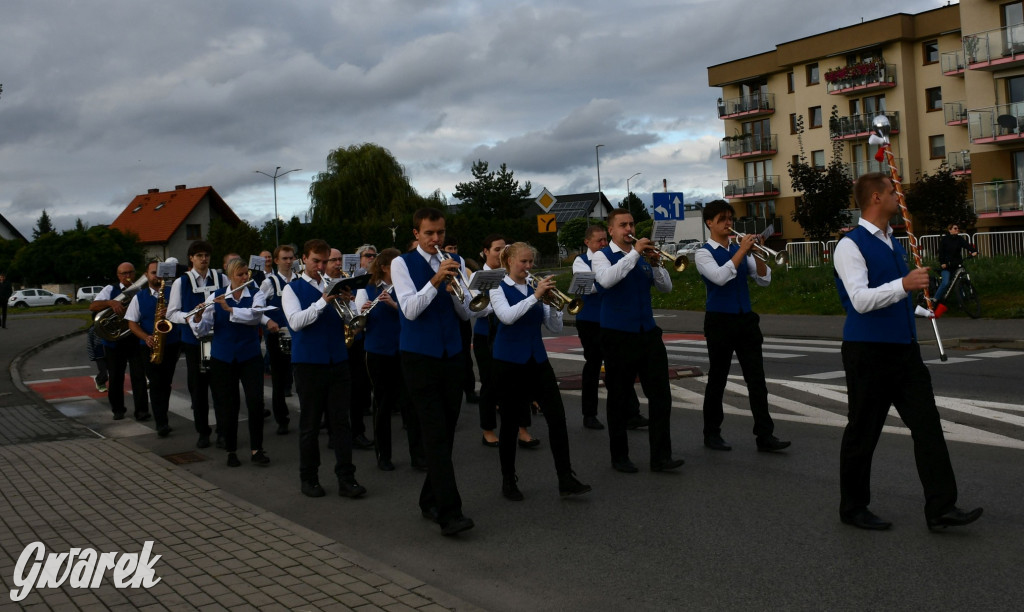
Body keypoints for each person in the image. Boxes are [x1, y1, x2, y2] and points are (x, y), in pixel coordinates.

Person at [833, 172, 982, 532]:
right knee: (863, 431)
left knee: (928, 427)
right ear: (875, 198)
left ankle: (941, 508)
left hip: (904, 351)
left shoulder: (893, 242)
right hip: (867, 351)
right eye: (892, 192)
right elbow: (860, 300)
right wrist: (904, 284)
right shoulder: (850, 246)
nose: (898, 198)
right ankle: (853, 507)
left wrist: (918, 308)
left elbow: (893, 298)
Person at [391, 207, 475, 536]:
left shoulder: (457, 261)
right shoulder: (402, 264)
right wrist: (436, 280)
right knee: (436, 435)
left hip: (451, 354)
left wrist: (456, 293)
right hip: (419, 357)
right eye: (429, 233)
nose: (436, 239)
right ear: (416, 234)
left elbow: (466, 314)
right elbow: (410, 310)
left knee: (447, 432)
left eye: (440, 232)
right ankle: (450, 514)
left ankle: (429, 499)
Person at [489, 242, 591, 501]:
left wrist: (554, 306)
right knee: (510, 423)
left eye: (531, 262)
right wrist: (535, 297)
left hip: (537, 359)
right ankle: (508, 479)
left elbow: (555, 328)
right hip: (509, 362)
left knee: (557, 418)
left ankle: (565, 478)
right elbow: (506, 317)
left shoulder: (535, 287)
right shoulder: (498, 288)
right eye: (523, 262)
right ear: (509, 262)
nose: (528, 266)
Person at [591, 209, 684, 474]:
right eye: (623, 225)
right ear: (611, 230)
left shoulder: (641, 259)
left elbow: (666, 288)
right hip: (618, 334)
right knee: (618, 397)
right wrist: (635, 254)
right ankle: (619, 456)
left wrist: (655, 264)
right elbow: (606, 280)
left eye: (631, 224)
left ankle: (661, 457)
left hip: (648, 333)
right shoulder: (602, 256)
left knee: (661, 396)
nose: (629, 229)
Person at [695, 200, 790, 453]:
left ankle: (765, 435)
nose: (729, 223)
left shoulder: (740, 249)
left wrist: (756, 253)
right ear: (709, 223)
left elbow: (763, 280)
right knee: (718, 378)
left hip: (745, 320)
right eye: (723, 219)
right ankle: (711, 433)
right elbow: (720, 277)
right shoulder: (703, 253)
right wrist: (742, 251)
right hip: (719, 321)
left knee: (757, 380)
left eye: (730, 218)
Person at [283, 239, 366, 499]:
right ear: (304, 260)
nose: (320, 267)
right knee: (309, 425)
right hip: (308, 364)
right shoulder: (292, 289)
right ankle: (309, 478)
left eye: (324, 261)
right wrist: (322, 302)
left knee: (341, 424)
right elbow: (296, 323)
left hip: (338, 361)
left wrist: (349, 302)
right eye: (315, 261)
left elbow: (352, 322)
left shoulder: (335, 285)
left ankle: (347, 478)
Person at [191, 258, 269, 467]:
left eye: (246, 274)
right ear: (230, 276)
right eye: (240, 275)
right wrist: (198, 317)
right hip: (223, 358)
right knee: (228, 405)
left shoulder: (256, 294)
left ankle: (257, 449)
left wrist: (230, 309)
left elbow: (255, 317)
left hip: (250, 356)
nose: (244, 278)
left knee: (255, 402)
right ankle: (231, 450)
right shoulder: (216, 296)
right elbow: (202, 330)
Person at [355, 248, 425, 471]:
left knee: (410, 404)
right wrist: (364, 312)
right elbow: (358, 322)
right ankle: (383, 455)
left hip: (404, 349)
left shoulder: (406, 286)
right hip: (377, 351)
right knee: (383, 404)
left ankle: (418, 456)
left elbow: (415, 314)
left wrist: (394, 305)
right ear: (385, 267)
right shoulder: (367, 289)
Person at [571, 226, 646, 431]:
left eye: (605, 240)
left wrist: (611, 276)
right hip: (590, 319)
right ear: (587, 242)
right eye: (599, 241)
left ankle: (631, 413)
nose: (603, 244)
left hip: (612, 319)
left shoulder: (613, 258)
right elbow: (588, 286)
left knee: (621, 365)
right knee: (593, 365)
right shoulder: (581, 261)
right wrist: (610, 279)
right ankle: (589, 414)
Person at [166, 241, 227, 449]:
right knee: (198, 390)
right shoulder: (181, 282)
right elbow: (171, 313)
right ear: (191, 258)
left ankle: (223, 432)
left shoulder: (221, 278)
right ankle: (203, 432)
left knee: (221, 388)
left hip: (218, 339)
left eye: (206, 255)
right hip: (194, 342)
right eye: (199, 255)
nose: (204, 259)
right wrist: (192, 317)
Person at [126, 260, 181, 438]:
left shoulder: (174, 293)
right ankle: (161, 423)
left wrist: (170, 312)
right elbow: (132, 323)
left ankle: (162, 416)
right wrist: (145, 337)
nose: (157, 276)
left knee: (166, 383)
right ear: (146, 275)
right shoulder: (139, 297)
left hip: (171, 343)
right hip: (150, 345)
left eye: (160, 272)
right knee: (156, 384)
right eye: (153, 272)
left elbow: (183, 314)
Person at [326, 248, 374, 450]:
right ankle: (334, 433)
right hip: (332, 342)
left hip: (354, 342)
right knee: (334, 393)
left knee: (358, 388)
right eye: (333, 260)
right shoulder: (321, 286)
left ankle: (357, 432)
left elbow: (353, 314)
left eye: (339, 259)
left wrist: (354, 306)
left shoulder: (347, 282)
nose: (338, 264)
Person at [90, 262, 150, 422]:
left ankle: (142, 411)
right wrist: (111, 302)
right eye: (124, 273)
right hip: (115, 342)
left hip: (135, 338)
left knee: (139, 376)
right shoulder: (110, 289)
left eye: (130, 272)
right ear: (118, 275)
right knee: (116, 377)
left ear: (135, 273)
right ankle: (118, 409)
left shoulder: (141, 290)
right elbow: (93, 306)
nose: (127, 276)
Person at [472, 234, 505, 446]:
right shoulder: (479, 275)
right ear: (486, 252)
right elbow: (476, 309)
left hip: (507, 334)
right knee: (489, 384)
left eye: (505, 249)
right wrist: (502, 306)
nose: (502, 253)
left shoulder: (510, 272)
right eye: (497, 249)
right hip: (486, 336)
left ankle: (520, 427)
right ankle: (488, 429)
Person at [259, 244, 296, 435]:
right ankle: (282, 419)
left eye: (291, 258)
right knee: (279, 381)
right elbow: (257, 308)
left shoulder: (299, 280)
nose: (288, 262)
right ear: (276, 261)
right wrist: (268, 321)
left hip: (298, 335)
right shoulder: (269, 283)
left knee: (303, 377)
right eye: (284, 258)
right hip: (277, 336)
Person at [444, 236, 479, 405]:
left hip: (462, 318)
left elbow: (467, 291)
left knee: (466, 356)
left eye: (454, 248)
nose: (453, 252)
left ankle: (469, 390)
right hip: (448, 318)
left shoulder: (462, 266)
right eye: (449, 249)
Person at [934, 223, 978, 304]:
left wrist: (973, 251)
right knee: (945, 283)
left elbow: (966, 245)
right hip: (947, 266)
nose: (957, 229)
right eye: (955, 228)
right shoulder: (945, 239)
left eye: (957, 228)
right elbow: (941, 252)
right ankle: (935, 299)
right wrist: (942, 263)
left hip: (957, 264)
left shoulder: (959, 239)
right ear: (950, 230)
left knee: (959, 282)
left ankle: (961, 302)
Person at [86, 326, 108, 392]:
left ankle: (100, 379)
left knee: (112, 370)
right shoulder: (93, 329)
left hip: (109, 350)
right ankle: (100, 383)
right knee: (103, 371)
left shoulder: (108, 326)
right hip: (99, 353)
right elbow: (89, 342)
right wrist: (92, 355)